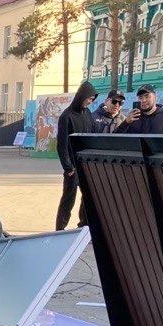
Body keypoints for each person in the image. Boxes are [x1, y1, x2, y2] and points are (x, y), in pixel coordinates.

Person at [55, 79, 98, 230]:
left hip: (86, 166)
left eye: (92, 99)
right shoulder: (66, 116)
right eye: (88, 98)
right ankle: (59, 230)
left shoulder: (88, 114)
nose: (90, 102)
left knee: (88, 199)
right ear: (81, 96)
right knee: (68, 201)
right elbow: (61, 145)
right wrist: (68, 168)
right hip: (73, 169)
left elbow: (92, 137)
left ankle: (83, 227)